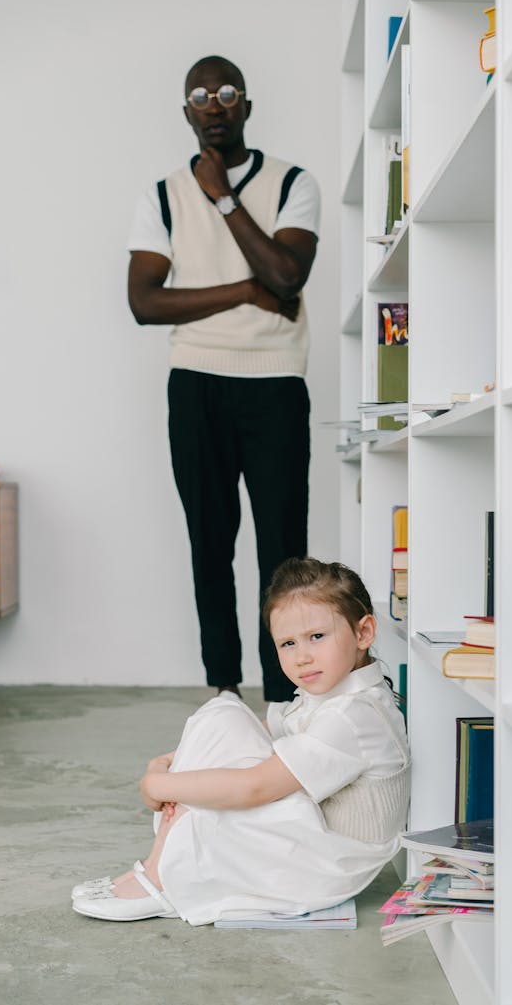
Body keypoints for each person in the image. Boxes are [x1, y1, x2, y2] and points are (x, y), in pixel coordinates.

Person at [127, 55, 321, 702]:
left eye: (229, 93)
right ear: (187, 112)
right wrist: (245, 287)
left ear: (247, 106)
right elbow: (145, 303)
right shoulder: (160, 194)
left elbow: (288, 276)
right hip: (197, 386)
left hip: (275, 387)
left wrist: (224, 196)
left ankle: (285, 698)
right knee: (210, 546)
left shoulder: (295, 182)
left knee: (283, 553)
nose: (215, 105)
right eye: (202, 96)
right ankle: (224, 696)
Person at [71, 557, 411, 924]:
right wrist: (168, 764)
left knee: (218, 793)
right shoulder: (332, 695)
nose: (301, 657)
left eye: (317, 637)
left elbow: (254, 788)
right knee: (224, 712)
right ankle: (161, 860)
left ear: (363, 633)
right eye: (287, 643)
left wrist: (161, 784)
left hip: (325, 865)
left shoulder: (352, 716)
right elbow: (252, 732)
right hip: (309, 835)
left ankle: (163, 876)